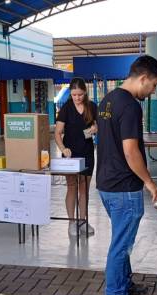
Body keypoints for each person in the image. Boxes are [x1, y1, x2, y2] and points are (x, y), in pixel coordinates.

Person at [96, 55, 157, 295]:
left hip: (106, 183)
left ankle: (124, 283)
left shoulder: (108, 100)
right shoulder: (131, 105)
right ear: (143, 78)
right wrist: (149, 182)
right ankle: (115, 294)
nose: (154, 90)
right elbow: (130, 151)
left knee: (120, 238)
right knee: (122, 243)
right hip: (124, 187)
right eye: (155, 84)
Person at [54, 78, 98, 236]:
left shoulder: (92, 106)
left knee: (84, 188)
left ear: (85, 93)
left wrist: (94, 128)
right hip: (70, 155)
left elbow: (98, 126)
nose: (77, 98)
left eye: (80, 94)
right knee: (72, 186)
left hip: (87, 152)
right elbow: (57, 133)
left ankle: (83, 221)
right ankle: (71, 223)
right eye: (74, 95)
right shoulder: (66, 109)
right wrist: (63, 149)